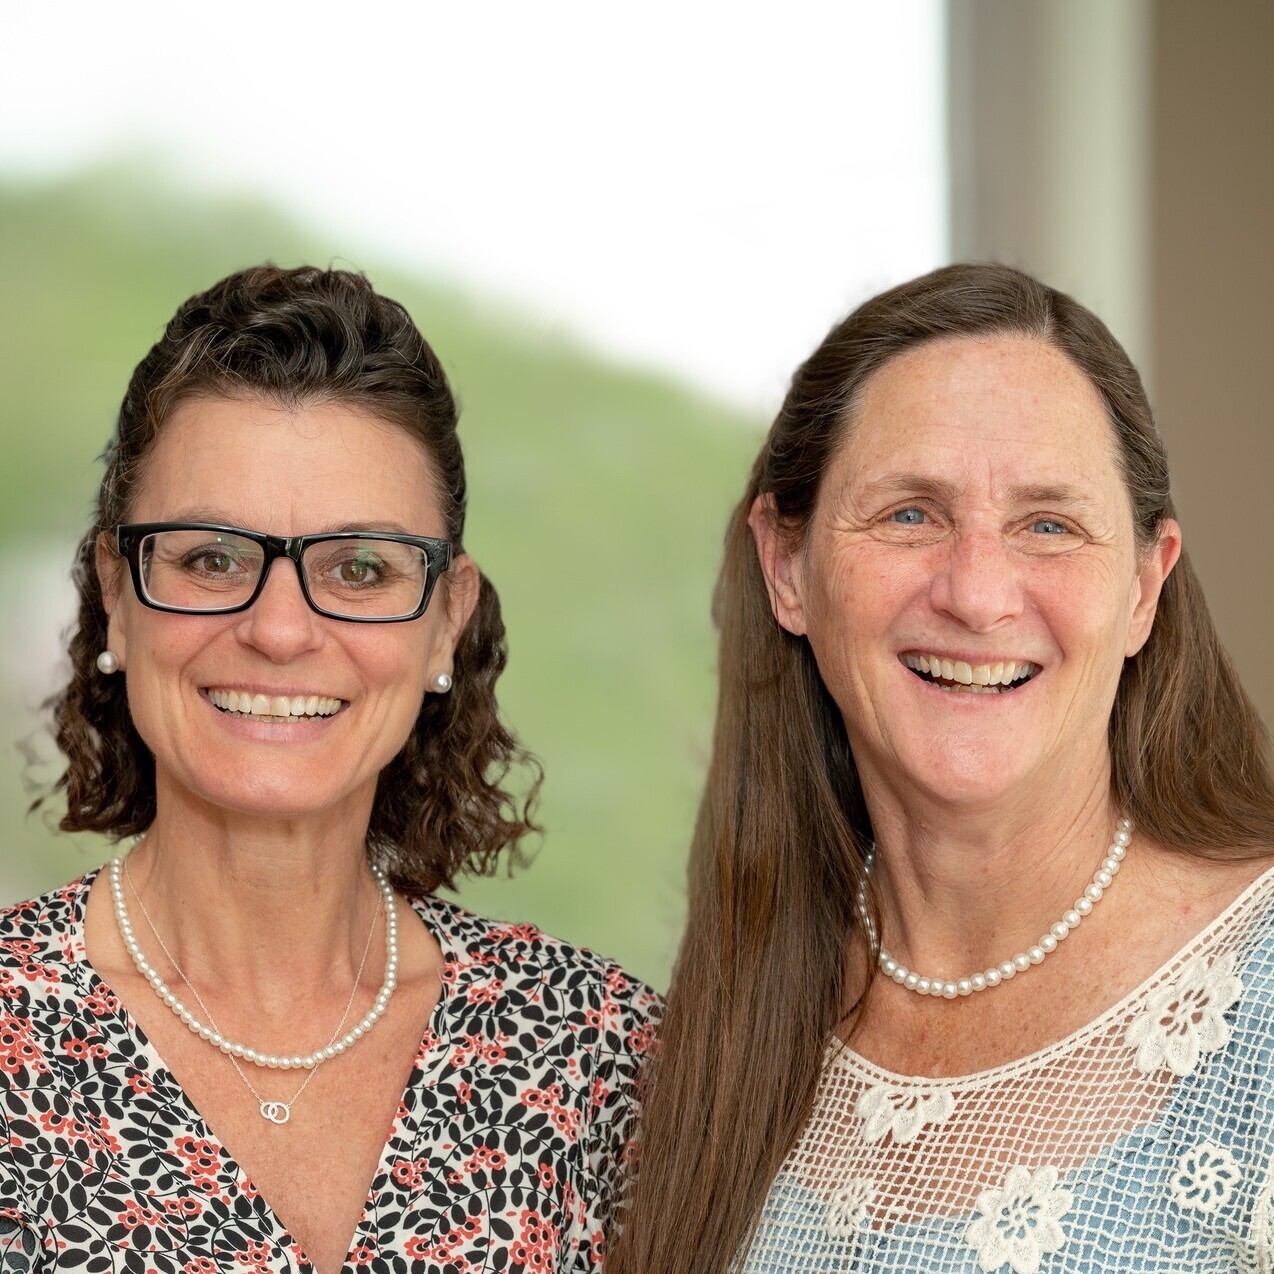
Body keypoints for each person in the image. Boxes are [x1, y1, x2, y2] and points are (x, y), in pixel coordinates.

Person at [610, 263, 1274, 1272]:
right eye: (909, 513)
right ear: (785, 564)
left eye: (1046, 523)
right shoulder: (730, 1021)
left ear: (1145, 585)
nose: (974, 593)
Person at [0, 266, 658, 1272]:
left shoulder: (598, 1055)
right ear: (117, 594)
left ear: (445, 616)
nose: (278, 629)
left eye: (360, 569)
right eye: (211, 557)